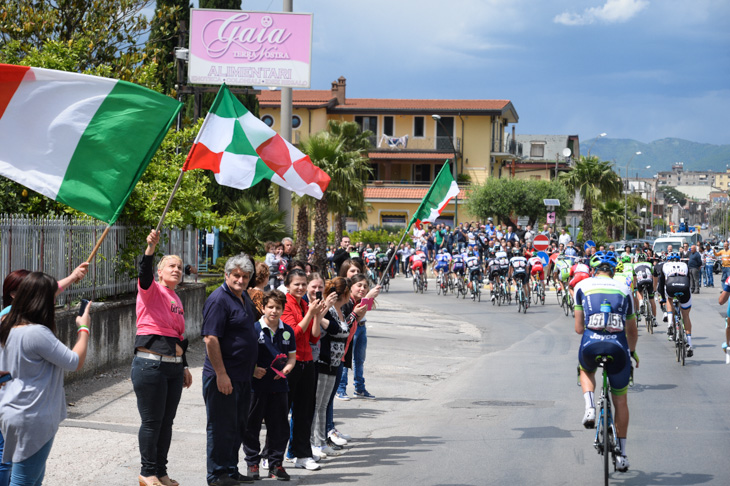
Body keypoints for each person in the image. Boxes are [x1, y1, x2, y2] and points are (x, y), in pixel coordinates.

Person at [0, 272, 90, 486]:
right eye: (52, 296)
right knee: (24, 480)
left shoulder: (7, 326)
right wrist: (84, 327)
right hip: (33, 415)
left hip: (12, 410)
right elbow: (74, 361)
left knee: (30, 477)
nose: (54, 300)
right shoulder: (36, 332)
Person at [133, 230, 192, 486]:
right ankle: (147, 473)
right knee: (152, 422)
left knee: (166, 423)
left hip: (173, 368)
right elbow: (144, 273)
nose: (176, 269)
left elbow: (178, 337)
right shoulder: (152, 289)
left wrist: (185, 365)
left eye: (179, 266)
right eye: (171, 265)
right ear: (160, 271)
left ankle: (161, 471)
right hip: (151, 366)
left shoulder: (176, 296)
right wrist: (150, 249)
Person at [575, 251, 638, 473]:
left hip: (591, 346)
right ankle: (622, 455)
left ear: (594, 269)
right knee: (620, 400)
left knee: (585, 369)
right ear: (614, 270)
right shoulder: (624, 289)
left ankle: (590, 407)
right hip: (618, 349)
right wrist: (633, 353)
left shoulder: (581, 286)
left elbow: (578, 329)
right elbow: (631, 330)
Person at [202, 253, 259, 486]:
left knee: (237, 426)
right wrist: (222, 374)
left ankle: (231, 469)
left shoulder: (243, 296)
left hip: (243, 376)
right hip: (223, 376)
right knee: (220, 426)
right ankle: (216, 474)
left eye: (245, 276)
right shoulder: (219, 299)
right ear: (227, 275)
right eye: (236, 275)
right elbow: (210, 339)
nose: (241, 280)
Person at [243, 290, 297, 481]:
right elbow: (244, 356)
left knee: (279, 427)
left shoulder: (287, 331)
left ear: (283, 309)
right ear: (263, 308)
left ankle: (276, 464)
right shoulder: (253, 329)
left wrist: (286, 370)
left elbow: (292, 358)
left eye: (278, 308)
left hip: (279, 387)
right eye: (270, 307)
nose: (274, 311)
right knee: (251, 425)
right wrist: (254, 370)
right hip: (256, 388)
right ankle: (252, 462)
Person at [281, 269, 325, 470]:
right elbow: (293, 333)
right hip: (290, 363)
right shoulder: (286, 304)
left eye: (303, 284)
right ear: (288, 285)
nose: (300, 288)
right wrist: (310, 313)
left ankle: (302, 454)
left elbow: (314, 336)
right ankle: (273, 456)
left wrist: (316, 314)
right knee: (281, 412)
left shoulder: (306, 303)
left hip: (307, 361)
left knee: (305, 411)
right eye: (296, 284)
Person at [312, 278, 360, 458]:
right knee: (317, 406)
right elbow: (335, 329)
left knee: (323, 405)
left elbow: (344, 329)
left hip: (335, 362)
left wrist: (355, 315)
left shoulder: (339, 311)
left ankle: (322, 442)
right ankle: (315, 443)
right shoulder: (329, 310)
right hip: (323, 361)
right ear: (345, 294)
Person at [658, 252, 694, 356]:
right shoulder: (684, 265)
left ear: (668, 260)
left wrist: (663, 299)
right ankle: (690, 344)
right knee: (686, 315)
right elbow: (689, 281)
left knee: (669, 299)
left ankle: (670, 323)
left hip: (671, 285)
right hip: (684, 286)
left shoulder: (665, 265)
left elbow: (661, 285)